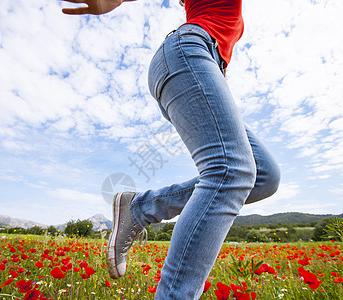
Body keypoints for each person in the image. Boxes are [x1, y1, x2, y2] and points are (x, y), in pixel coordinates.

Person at [62, 0, 280, 298]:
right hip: (187, 51)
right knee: (230, 170)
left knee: (264, 176)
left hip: (201, 61)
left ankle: (140, 208)